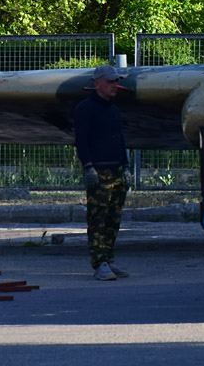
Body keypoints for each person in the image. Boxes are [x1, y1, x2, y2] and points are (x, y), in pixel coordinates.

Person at [73, 64, 132, 280]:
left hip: (116, 170)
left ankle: (108, 259)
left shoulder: (113, 109)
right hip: (99, 171)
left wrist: (125, 166)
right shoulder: (85, 109)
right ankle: (99, 263)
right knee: (97, 219)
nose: (115, 85)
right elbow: (81, 141)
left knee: (113, 219)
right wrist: (88, 167)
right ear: (97, 84)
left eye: (116, 81)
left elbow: (120, 139)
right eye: (110, 82)